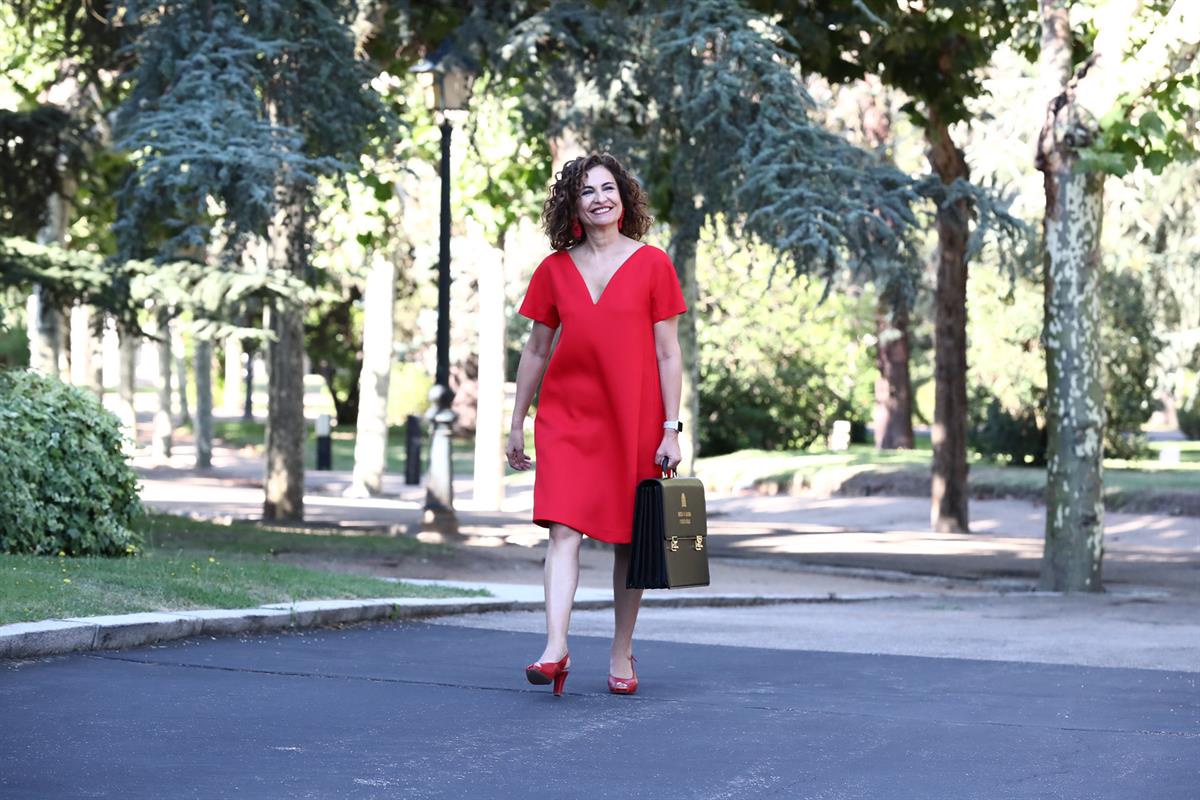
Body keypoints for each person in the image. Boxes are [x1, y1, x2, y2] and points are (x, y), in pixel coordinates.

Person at [507, 152, 686, 697]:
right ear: (574, 205)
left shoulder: (654, 264)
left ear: (624, 199)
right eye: (587, 191)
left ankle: (620, 648)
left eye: (608, 189)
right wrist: (516, 421)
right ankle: (554, 648)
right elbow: (536, 350)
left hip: (633, 417)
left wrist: (671, 428)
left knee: (630, 540)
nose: (600, 198)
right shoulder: (554, 270)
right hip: (566, 418)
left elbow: (668, 354)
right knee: (564, 530)